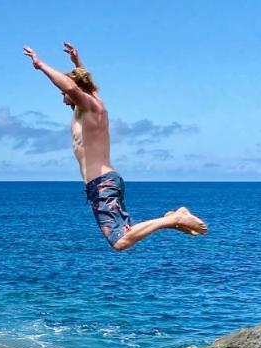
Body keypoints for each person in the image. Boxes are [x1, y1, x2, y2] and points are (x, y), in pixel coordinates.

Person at [23, 41, 207, 251]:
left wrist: (40, 65)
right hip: (104, 182)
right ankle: (174, 220)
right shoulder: (93, 104)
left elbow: (71, 87)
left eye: (64, 92)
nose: (62, 95)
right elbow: (86, 85)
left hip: (102, 183)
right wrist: (77, 62)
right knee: (125, 235)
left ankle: (175, 219)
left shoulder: (89, 107)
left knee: (121, 241)